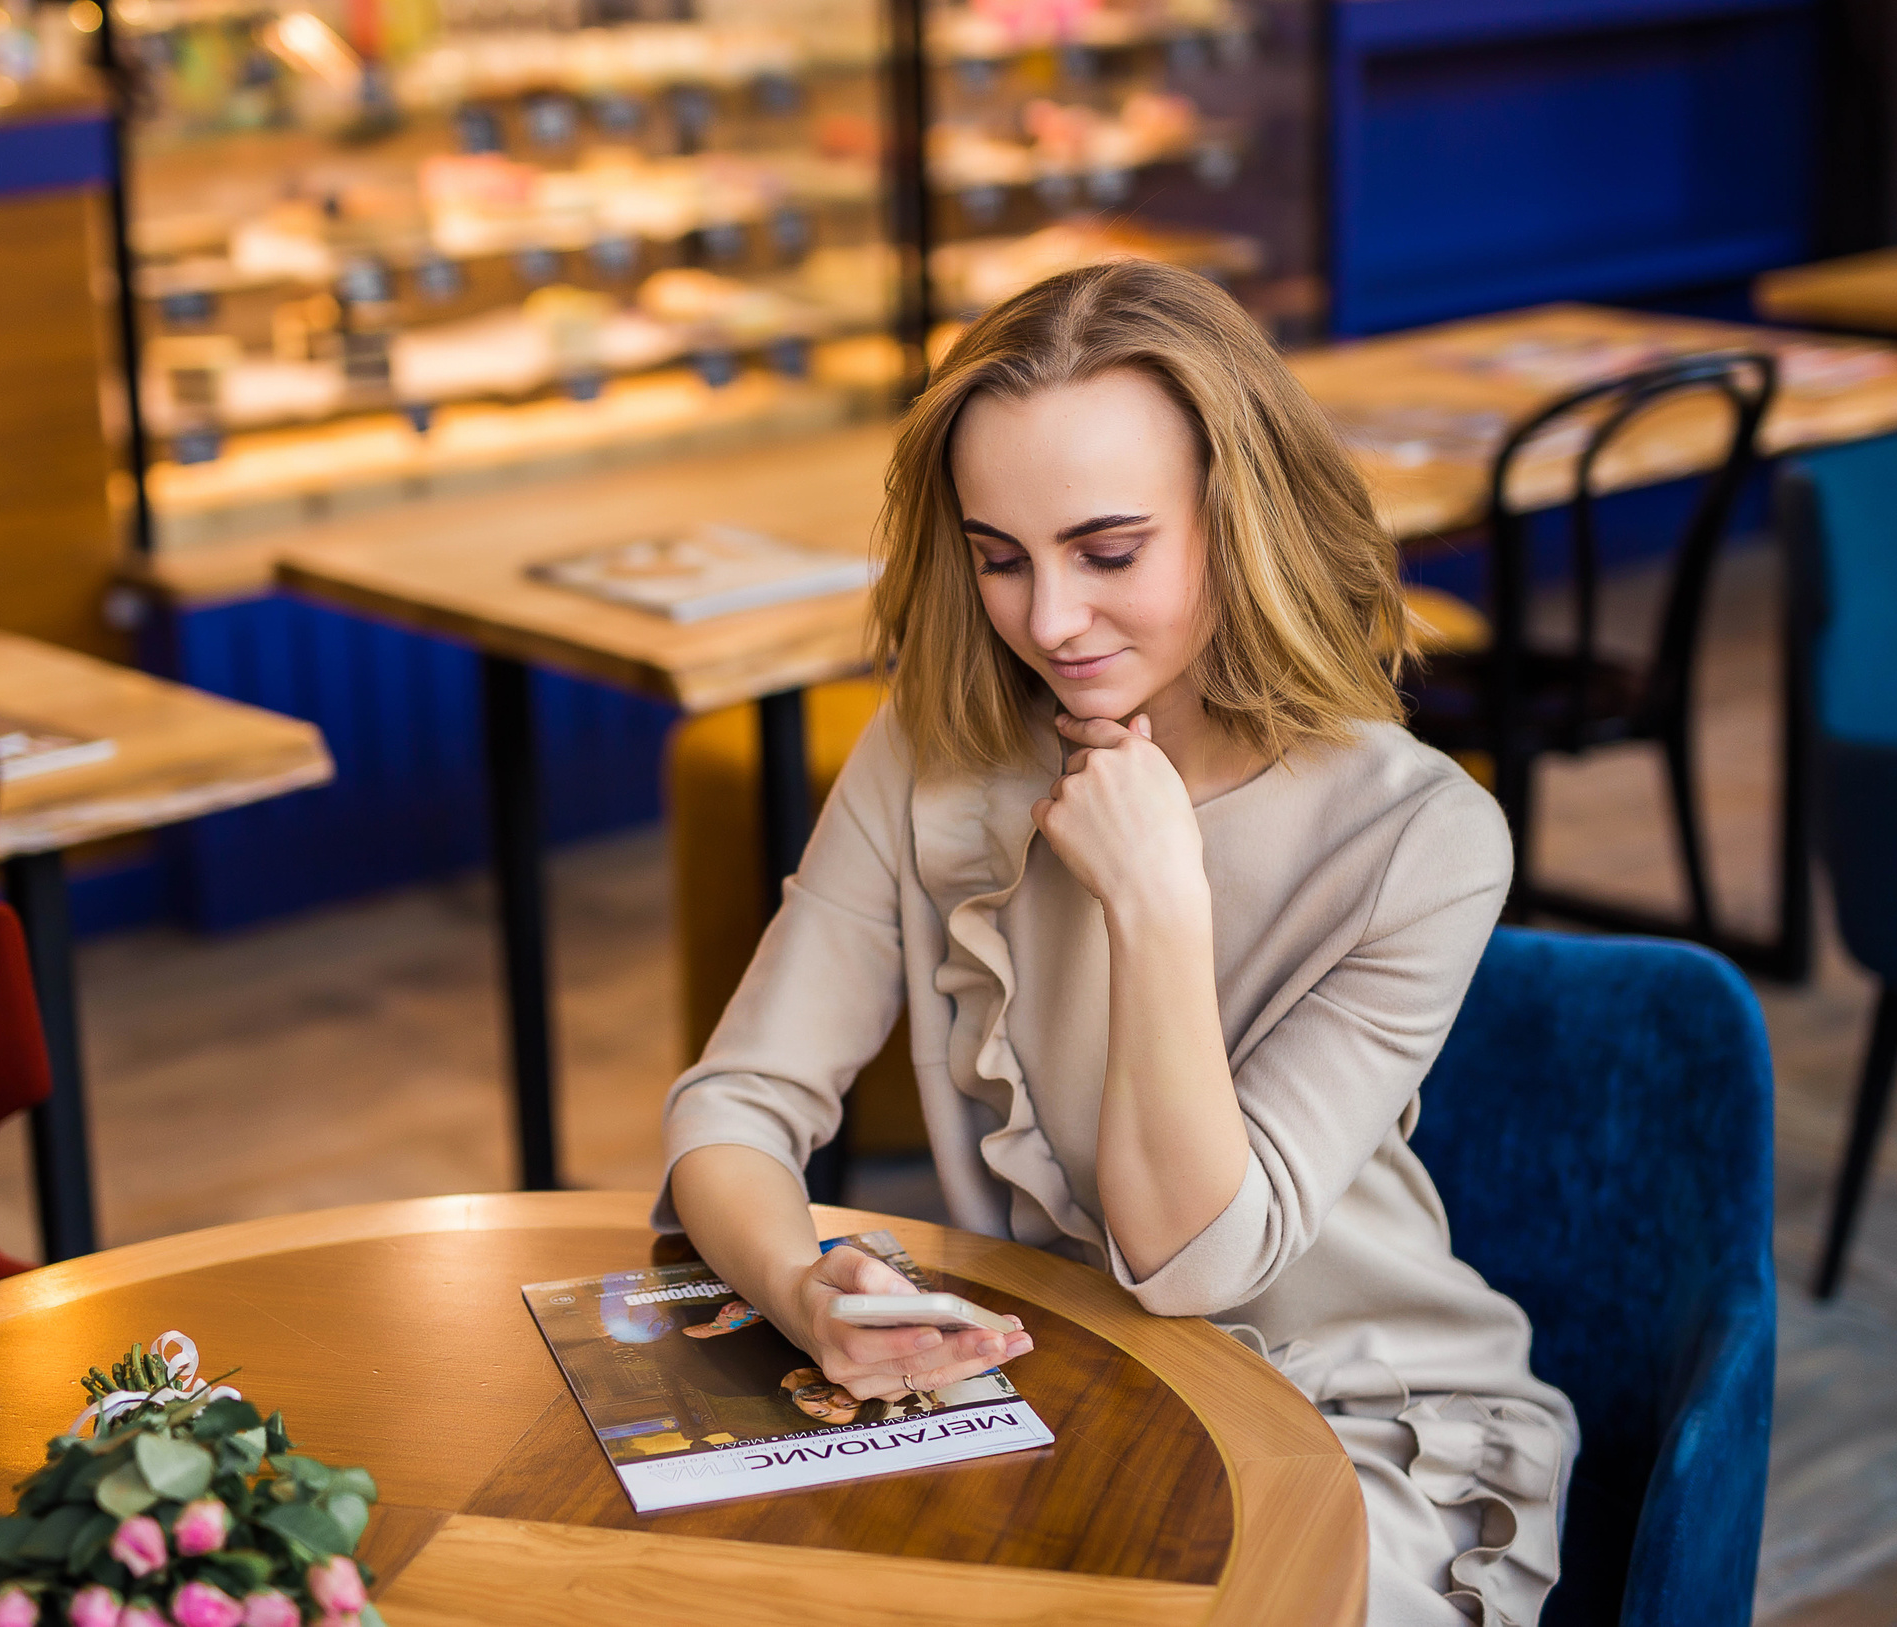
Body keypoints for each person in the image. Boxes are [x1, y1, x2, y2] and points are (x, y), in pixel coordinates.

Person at [656, 260, 1577, 1625]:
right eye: (998, 557)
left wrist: (1156, 898)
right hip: (1048, 1395)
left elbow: (1197, 1261)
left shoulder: (1423, 836)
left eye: (1109, 550)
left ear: (1234, 517)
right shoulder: (930, 750)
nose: (1049, 621)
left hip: (1347, 1426)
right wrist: (801, 1288)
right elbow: (732, 1106)